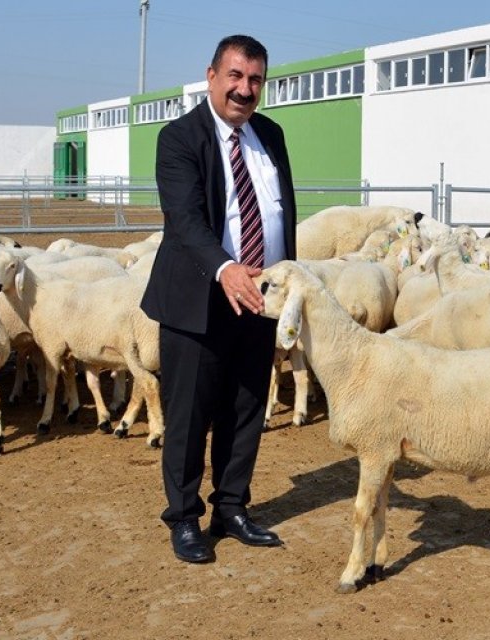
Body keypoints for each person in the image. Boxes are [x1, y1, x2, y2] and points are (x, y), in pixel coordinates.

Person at [141, 34, 297, 564]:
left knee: (246, 407)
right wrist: (226, 269)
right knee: (189, 414)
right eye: (234, 76)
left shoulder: (270, 134)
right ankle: (184, 518)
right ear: (211, 76)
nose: (244, 89)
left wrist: (283, 279)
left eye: (255, 79)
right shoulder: (179, 138)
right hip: (198, 300)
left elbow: (280, 212)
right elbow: (185, 219)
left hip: (259, 297)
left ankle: (231, 508)